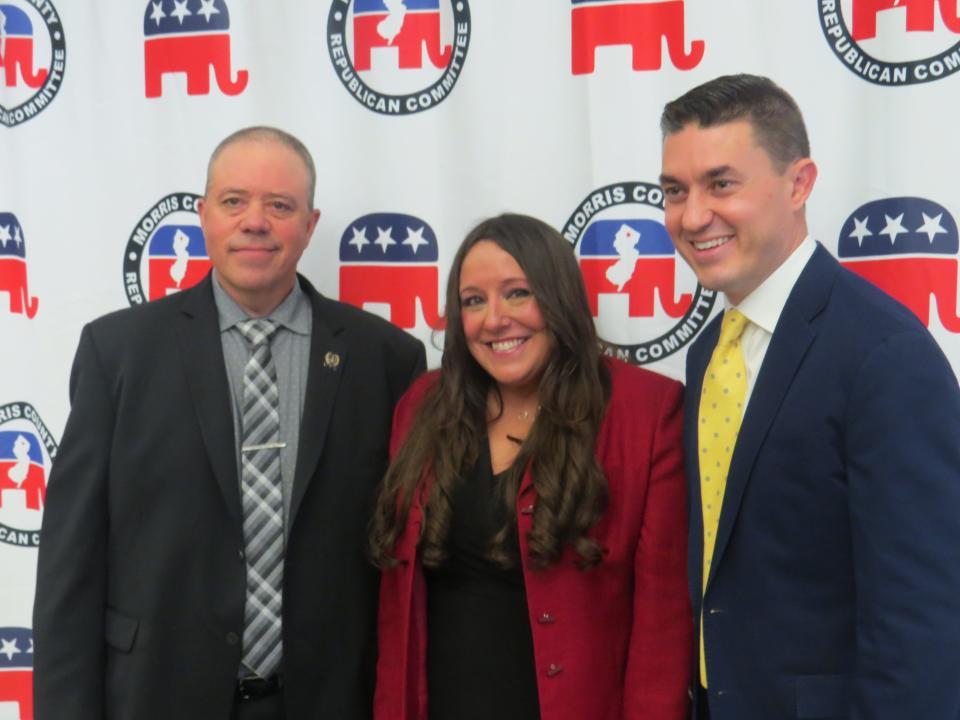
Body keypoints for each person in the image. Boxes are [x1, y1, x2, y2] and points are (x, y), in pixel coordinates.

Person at [33, 126, 426, 720]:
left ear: (311, 225)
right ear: (203, 215)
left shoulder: (387, 359)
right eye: (234, 201)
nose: (255, 221)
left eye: (280, 205)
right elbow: (71, 563)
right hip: (157, 695)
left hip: (330, 698)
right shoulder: (118, 352)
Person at [658, 74, 960, 720]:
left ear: (798, 185)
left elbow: (922, 624)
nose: (691, 216)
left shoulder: (885, 356)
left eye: (721, 184)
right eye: (675, 191)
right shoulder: (709, 348)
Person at [369, 213, 691, 720]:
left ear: (559, 297)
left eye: (517, 293)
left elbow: (663, 625)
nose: (494, 319)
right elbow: (396, 611)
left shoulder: (647, 411)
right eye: (473, 301)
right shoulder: (421, 406)